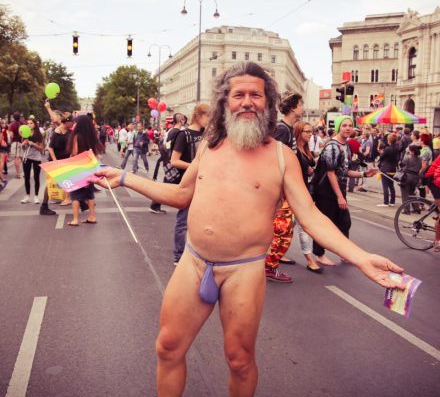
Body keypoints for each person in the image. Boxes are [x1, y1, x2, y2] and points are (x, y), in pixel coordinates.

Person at [92, 62, 404, 397]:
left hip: (243, 271)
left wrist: (361, 258)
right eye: (238, 94)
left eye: (255, 94)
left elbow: (311, 216)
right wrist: (124, 177)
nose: (247, 101)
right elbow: (181, 195)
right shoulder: (208, 147)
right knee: (168, 348)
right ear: (225, 102)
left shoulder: (282, 157)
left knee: (239, 361)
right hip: (194, 262)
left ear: (267, 103)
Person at [311, 116, 377, 266]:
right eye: (344, 125)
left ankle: (343, 252)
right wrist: (340, 197)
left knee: (344, 223)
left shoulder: (345, 145)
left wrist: (364, 174)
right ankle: (319, 254)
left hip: (338, 188)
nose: (347, 128)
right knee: (325, 224)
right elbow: (330, 173)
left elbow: (344, 171)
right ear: (339, 127)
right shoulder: (332, 146)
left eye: (350, 125)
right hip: (327, 191)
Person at [265, 92, 303, 283]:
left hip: (284, 191)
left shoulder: (288, 129)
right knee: (283, 232)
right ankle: (269, 267)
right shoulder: (282, 129)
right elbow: (273, 160)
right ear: (294, 107)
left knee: (282, 231)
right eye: (301, 104)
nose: (303, 107)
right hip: (280, 192)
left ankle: (266, 263)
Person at [170, 104, 211, 264]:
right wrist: (196, 167)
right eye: (208, 117)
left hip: (205, 184)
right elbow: (174, 161)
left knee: (201, 221)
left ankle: (197, 254)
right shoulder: (183, 134)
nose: (210, 121)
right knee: (183, 221)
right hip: (187, 183)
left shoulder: (208, 135)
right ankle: (179, 256)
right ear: (199, 116)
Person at [293, 121, 322, 273]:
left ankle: (271, 254)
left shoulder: (305, 149)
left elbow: (309, 167)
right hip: (295, 193)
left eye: (312, 131)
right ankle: (309, 259)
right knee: (301, 227)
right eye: (307, 132)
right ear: (299, 133)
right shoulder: (294, 151)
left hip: (304, 192)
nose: (311, 134)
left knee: (295, 227)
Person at [65, 115, 101, 226]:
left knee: (75, 194)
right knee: (89, 194)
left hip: (78, 168)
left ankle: (75, 219)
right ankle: (92, 216)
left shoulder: (77, 136)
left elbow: (75, 153)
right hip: (89, 168)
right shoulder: (92, 136)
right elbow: (95, 153)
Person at [150, 113, 187, 214]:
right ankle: (155, 205)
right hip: (173, 163)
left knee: (168, 184)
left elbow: (167, 145)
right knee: (169, 185)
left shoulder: (171, 131)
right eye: (184, 120)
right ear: (181, 120)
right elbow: (171, 147)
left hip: (170, 162)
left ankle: (155, 205)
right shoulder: (177, 132)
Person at [40, 114, 74, 215]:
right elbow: (50, 148)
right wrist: (55, 161)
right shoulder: (57, 132)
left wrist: (71, 155)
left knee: (71, 179)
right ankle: (44, 206)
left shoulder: (70, 132)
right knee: (51, 183)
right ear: (67, 122)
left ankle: (81, 201)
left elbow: (71, 145)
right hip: (56, 161)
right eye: (72, 122)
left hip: (66, 161)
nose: (73, 123)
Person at [21, 119, 44, 204]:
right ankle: (27, 196)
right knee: (26, 177)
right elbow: (23, 148)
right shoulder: (25, 134)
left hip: (36, 158)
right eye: (28, 123)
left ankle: (36, 196)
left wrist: (33, 144)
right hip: (27, 157)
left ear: (35, 124)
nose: (29, 125)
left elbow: (41, 148)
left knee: (36, 177)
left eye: (31, 123)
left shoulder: (39, 135)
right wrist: (23, 144)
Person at [377, 133, 400, 207]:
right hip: (393, 168)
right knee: (391, 186)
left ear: (389, 140)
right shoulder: (397, 148)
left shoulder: (387, 149)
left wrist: (381, 153)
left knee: (385, 186)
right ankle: (392, 202)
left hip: (386, 168)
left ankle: (385, 202)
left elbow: (382, 158)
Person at [399, 145, 422, 214]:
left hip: (407, 177)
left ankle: (406, 210)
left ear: (411, 151)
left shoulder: (407, 158)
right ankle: (416, 208)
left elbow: (402, 167)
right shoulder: (420, 159)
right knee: (412, 193)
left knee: (405, 193)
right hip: (415, 177)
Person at [8, 112, 23, 178]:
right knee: (21, 157)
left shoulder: (12, 125)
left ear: (13, 117)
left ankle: (18, 174)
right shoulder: (23, 124)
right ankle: (25, 172)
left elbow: (11, 135)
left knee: (16, 158)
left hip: (15, 142)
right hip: (22, 142)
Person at [0, 119, 10, 185]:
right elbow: (0, 140)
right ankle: (1, 177)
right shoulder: (1, 130)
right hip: (1, 148)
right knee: (1, 162)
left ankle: (1, 177)